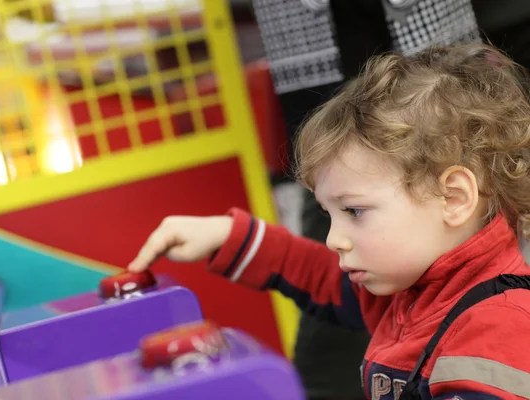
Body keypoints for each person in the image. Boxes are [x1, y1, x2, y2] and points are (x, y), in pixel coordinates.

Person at [128, 43, 530, 398]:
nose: (336, 238)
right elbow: (322, 280)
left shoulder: (498, 329)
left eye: (354, 211)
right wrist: (227, 236)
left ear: (453, 197)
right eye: (330, 214)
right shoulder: (410, 291)